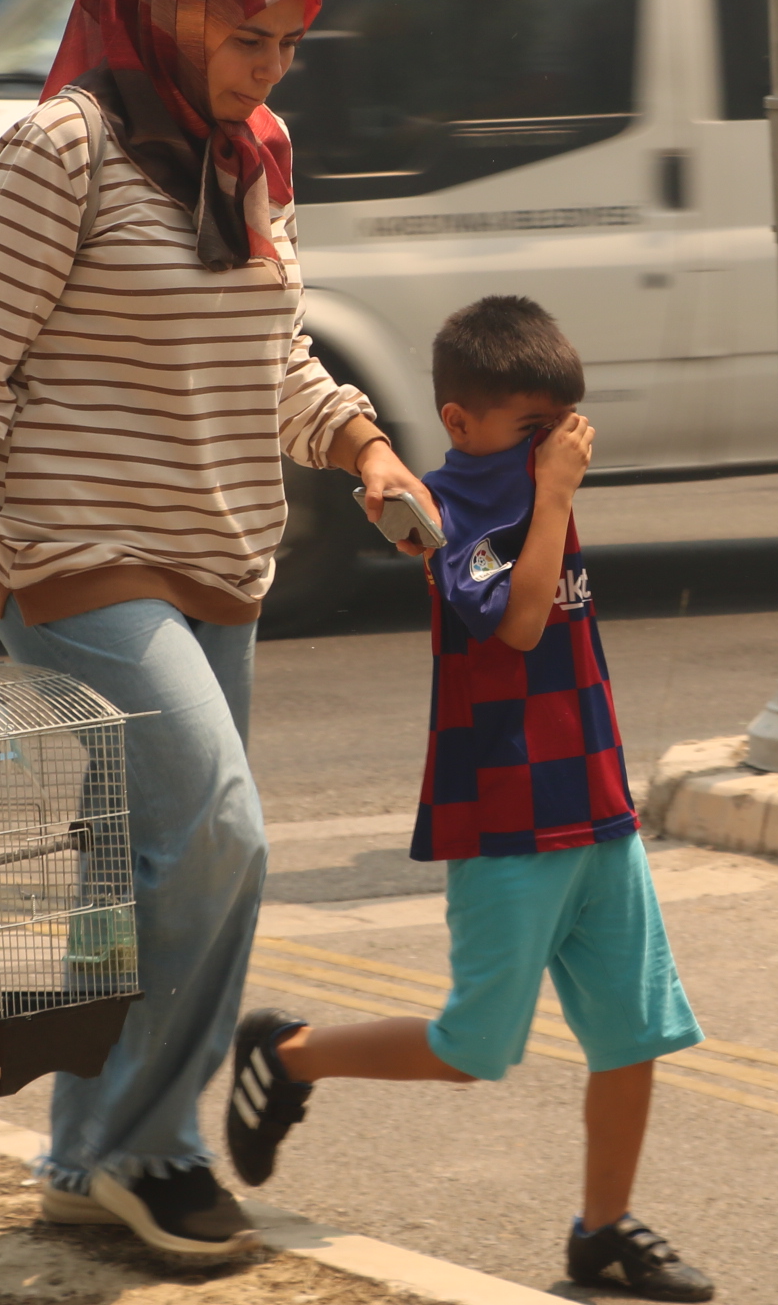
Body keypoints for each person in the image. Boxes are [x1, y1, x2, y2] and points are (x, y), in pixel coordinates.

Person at [0, 0, 440, 1264]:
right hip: (71, 550)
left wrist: (365, 449)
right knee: (219, 835)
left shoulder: (254, 154)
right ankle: (153, 1148)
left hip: (217, 555)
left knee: (149, 873)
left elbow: (273, 359)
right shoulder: (58, 149)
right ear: (171, 15)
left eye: (285, 46)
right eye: (245, 38)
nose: (269, 69)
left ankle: (88, 1158)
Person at [216, 295, 715, 1303]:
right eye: (533, 429)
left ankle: (603, 1229)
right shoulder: (447, 513)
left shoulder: (531, 487)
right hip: (507, 819)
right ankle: (290, 1054)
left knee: (637, 1031)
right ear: (461, 422)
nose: (554, 446)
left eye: (561, 426)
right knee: (473, 1048)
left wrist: (549, 488)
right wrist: (557, 495)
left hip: (597, 806)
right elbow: (522, 625)